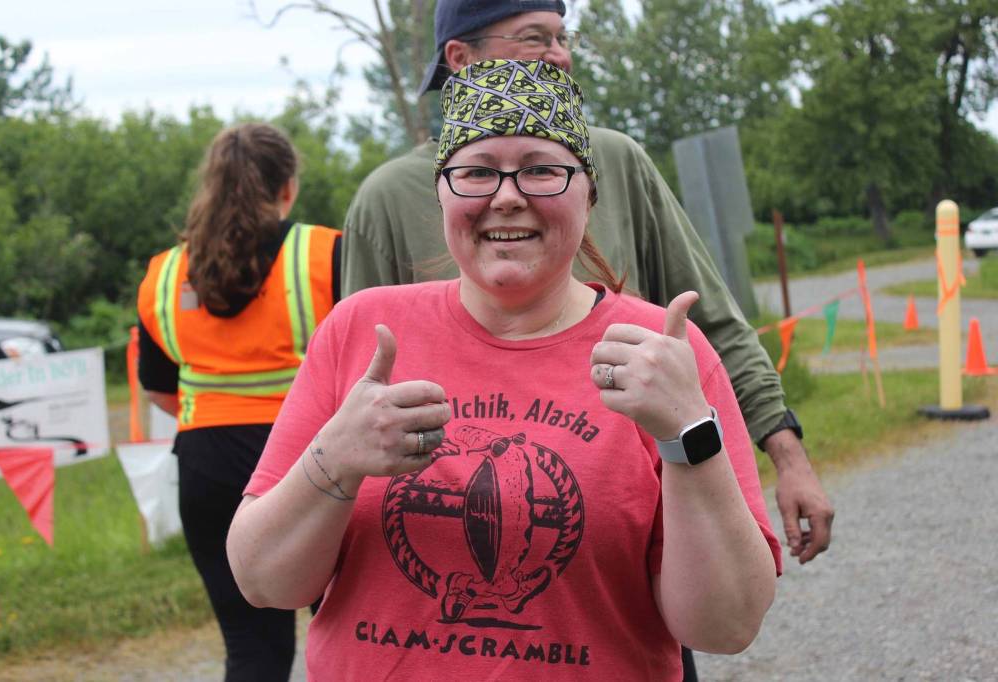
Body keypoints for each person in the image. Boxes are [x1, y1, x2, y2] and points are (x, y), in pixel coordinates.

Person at [228, 59, 781, 681]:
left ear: (589, 190)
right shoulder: (362, 331)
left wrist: (688, 438)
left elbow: (725, 627)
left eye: (542, 170)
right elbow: (262, 580)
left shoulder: (662, 352)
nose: (507, 196)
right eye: (477, 172)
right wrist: (334, 458)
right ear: (440, 190)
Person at [341, 0, 834, 571]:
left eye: (561, 37)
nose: (560, 55)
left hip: (635, 531)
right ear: (460, 57)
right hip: (451, 528)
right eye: (534, 38)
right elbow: (359, 388)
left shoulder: (616, 160)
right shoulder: (386, 197)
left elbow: (708, 322)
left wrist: (787, 454)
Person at [136, 122, 341, 681]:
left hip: (206, 468)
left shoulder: (162, 274)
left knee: (251, 650)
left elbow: (158, 388)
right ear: (287, 188)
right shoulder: (324, 253)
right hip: (312, 463)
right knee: (346, 632)